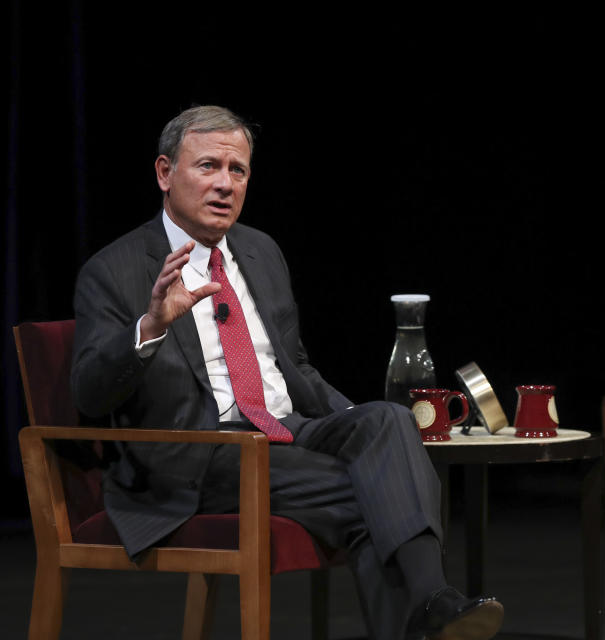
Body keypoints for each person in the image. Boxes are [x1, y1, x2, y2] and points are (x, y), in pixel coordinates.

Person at [71, 105, 504, 640]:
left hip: (284, 431)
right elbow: (89, 395)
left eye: (239, 171)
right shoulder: (114, 270)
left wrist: (364, 428)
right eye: (208, 167)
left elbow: (294, 366)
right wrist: (151, 326)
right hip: (199, 454)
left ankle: (429, 605)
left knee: (389, 424)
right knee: (373, 496)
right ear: (164, 173)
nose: (225, 184)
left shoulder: (260, 250)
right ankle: (431, 607)